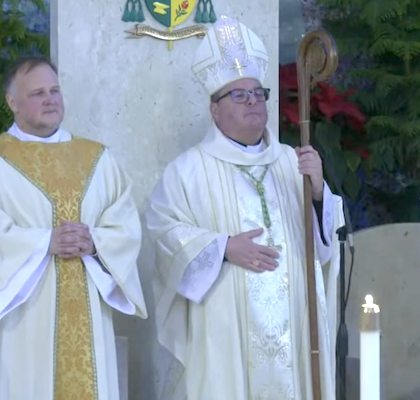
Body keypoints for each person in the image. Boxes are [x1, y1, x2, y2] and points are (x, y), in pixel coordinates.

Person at [146, 15, 343, 400]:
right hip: (226, 332)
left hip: (296, 324)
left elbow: (324, 244)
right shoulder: (187, 170)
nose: (253, 101)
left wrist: (319, 190)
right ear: (214, 109)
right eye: (238, 95)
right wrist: (222, 248)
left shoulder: (292, 161)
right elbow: (163, 234)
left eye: (257, 93)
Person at [0, 56, 147, 400]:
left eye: (54, 90)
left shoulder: (97, 158)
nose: (50, 99)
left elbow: (125, 223)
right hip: (22, 320)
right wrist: (44, 242)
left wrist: (95, 242)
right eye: (37, 93)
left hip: (87, 309)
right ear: (12, 102)